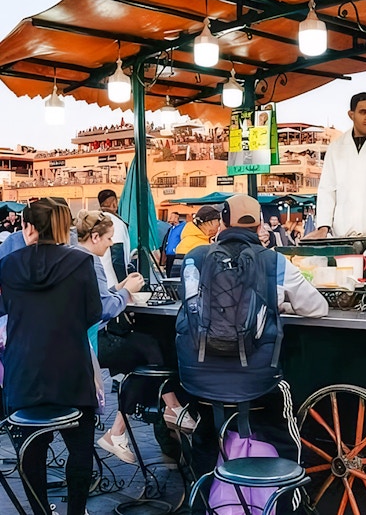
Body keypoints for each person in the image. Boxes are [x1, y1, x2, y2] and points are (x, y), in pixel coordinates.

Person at [175, 194, 328, 513]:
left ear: (222, 222)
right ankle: (287, 506)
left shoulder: (194, 259)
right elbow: (317, 308)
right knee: (287, 439)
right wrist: (278, 303)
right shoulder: (275, 262)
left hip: (199, 382)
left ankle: (204, 506)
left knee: (205, 436)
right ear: (259, 224)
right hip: (258, 382)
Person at [0, 198, 102, 515]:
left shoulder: (7, 264)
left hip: (23, 374)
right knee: (81, 447)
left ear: (27, 226)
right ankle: (75, 511)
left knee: (31, 453)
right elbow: (93, 314)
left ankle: (42, 511)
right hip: (70, 371)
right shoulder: (80, 263)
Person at [75, 210, 195, 464]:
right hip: (91, 342)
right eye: (108, 239)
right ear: (95, 237)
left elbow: (97, 299)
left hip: (78, 342)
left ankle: (121, 430)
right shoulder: (88, 261)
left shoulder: (76, 257)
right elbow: (103, 310)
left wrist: (118, 289)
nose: (110, 245)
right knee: (151, 348)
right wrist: (127, 292)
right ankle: (171, 410)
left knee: (145, 358)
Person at [305, 92, 366, 243]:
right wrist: (323, 227)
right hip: (343, 234)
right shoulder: (336, 147)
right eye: (363, 112)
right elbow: (327, 189)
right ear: (351, 114)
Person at [97, 189, 131, 285]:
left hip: (100, 279)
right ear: (114, 204)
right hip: (113, 282)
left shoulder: (97, 220)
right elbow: (117, 257)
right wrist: (124, 284)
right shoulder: (114, 222)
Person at [161, 211, 186, 276]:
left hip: (176, 254)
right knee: (168, 273)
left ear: (176, 218)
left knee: (173, 273)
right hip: (168, 253)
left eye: (171, 217)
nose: (169, 218)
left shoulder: (183, 228)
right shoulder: (171, 229)